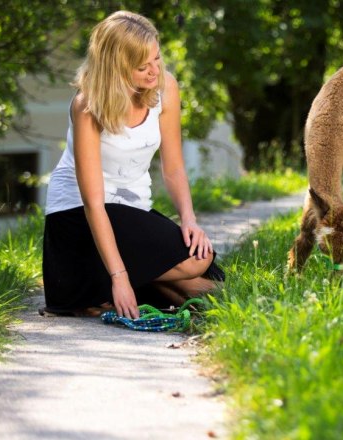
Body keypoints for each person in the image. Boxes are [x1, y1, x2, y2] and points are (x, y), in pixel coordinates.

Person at [42, 10, 224, 319]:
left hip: (130, 210)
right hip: (78, 217)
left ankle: (109, 287)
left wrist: (189, 220)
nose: (154, 71)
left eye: (156, 58)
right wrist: (120, 277)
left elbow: (174, 168)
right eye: (142, 66)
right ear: (116, 68)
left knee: (208, 274)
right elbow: (93, 202)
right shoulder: (87, 106)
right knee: (194, 268)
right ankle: (112, 280)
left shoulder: (165, 88)